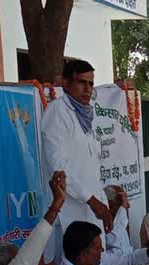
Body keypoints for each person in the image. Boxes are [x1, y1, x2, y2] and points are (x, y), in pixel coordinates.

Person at [42, 60, 112, 248]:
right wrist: (93, 201)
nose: (87, 89)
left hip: (93, 209)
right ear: (66, 83)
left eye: (91, 84)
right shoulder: (57, 112)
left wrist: (101, 201)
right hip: (71, 211)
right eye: (82, 82)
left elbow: (90, 168)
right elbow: (60, 171)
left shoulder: (87, 115)